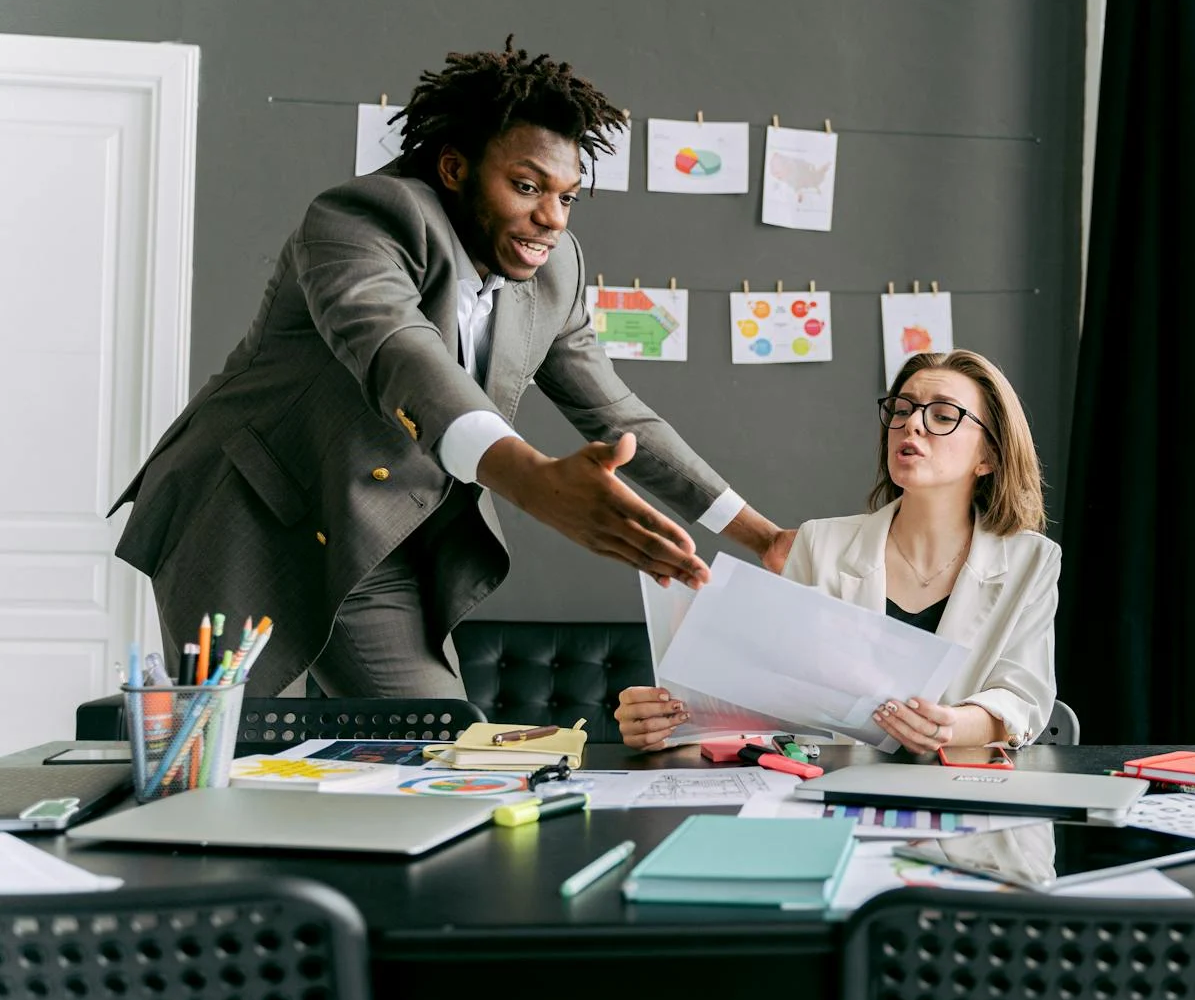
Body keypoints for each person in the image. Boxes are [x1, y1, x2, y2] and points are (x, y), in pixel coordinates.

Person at [110, 40, 791, 698]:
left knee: (439, 749)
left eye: (567, 195)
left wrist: (764, 536)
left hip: (374, 538)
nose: (551, 219)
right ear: (455, 168)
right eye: (527, 186)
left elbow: (617, 412)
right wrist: (528, 477)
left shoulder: (556, 272)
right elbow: (401, 352)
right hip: (247, 518)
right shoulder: (361, 220)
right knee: (225, 763)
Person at [616, 349, 1060, 752]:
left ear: (990, 456)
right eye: (901, 410)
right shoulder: (819, 543)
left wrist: (952, 727)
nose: (912, 424)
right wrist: (669, 722)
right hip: (832, 788)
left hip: (964, 793)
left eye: (943, 415)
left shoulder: (1031, 562)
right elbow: (771, 700)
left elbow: (1022, 697)